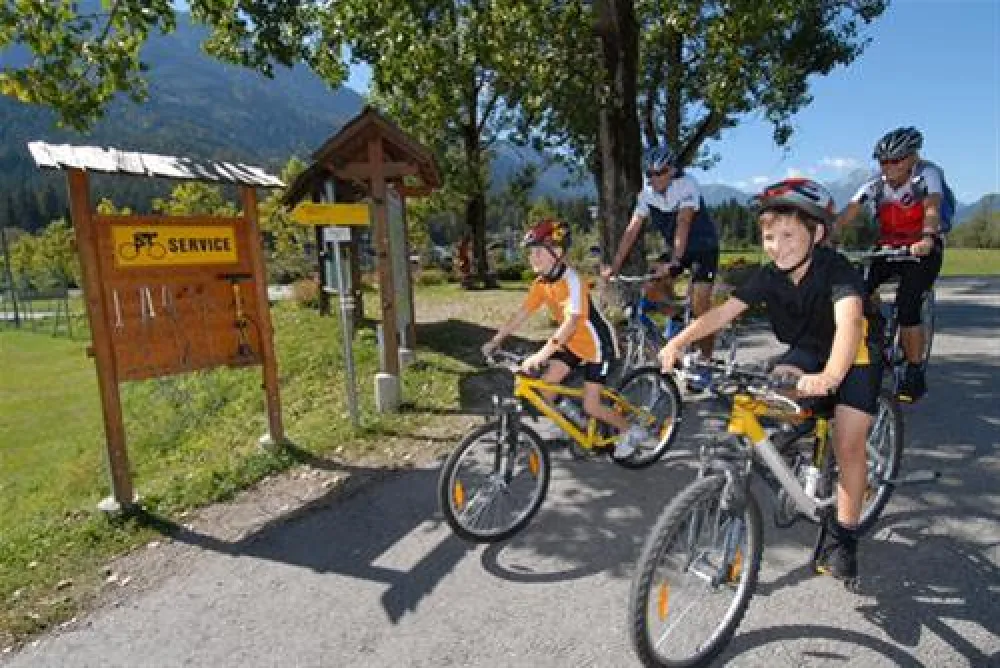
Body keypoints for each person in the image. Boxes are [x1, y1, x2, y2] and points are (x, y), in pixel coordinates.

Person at [658, 178, 881, 581]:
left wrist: (831, 375)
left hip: (853, 357)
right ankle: (797, 458)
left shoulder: (837, 269)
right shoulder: (768, 276)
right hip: (807, 352)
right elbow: (722, 314)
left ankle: (845, 537)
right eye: (769, 236)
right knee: (770, 396)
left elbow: (848, 322)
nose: (777, 246)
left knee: (849, 443)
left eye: (788, 235)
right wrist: (679, 341)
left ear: (817, 233)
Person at [482, 218, 647, 459]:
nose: (532, 257)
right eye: (531, 252)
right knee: (546, 390)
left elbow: (570, 324)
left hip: (596, 347)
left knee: (592, 404)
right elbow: (521, 314)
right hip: (572, 344)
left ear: (557, 253)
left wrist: (541, 354)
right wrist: (495, 341)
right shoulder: (541, 283)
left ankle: (631, 431)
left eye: (538, 251)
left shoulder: (572, 281)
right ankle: (576, 424)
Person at [833, 126, 945, 402]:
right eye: (882, 161)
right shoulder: (875, 183)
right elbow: (849, 213)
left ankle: (915, 371)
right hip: (888, 246)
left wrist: (928, 237)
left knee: (908, 306)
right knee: (854, 292)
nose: (888, 167)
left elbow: (931, 207)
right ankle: (874, 331)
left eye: (895, 160)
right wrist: (827, 239)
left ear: (912, 158)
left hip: (922, 247)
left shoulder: (927, 175)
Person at [601, 145, 721, 362]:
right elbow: (631, 231)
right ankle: (675, 317)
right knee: (651, 288)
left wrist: (675, 262)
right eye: (650, 174)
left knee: (700, 305)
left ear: (672, 171)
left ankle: (706, 359)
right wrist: (614, 267)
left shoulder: (686, 185)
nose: (654, 178)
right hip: (677, 249)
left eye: (660, 172)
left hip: (704, 248)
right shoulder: (647, 195)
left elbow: (683, 223)